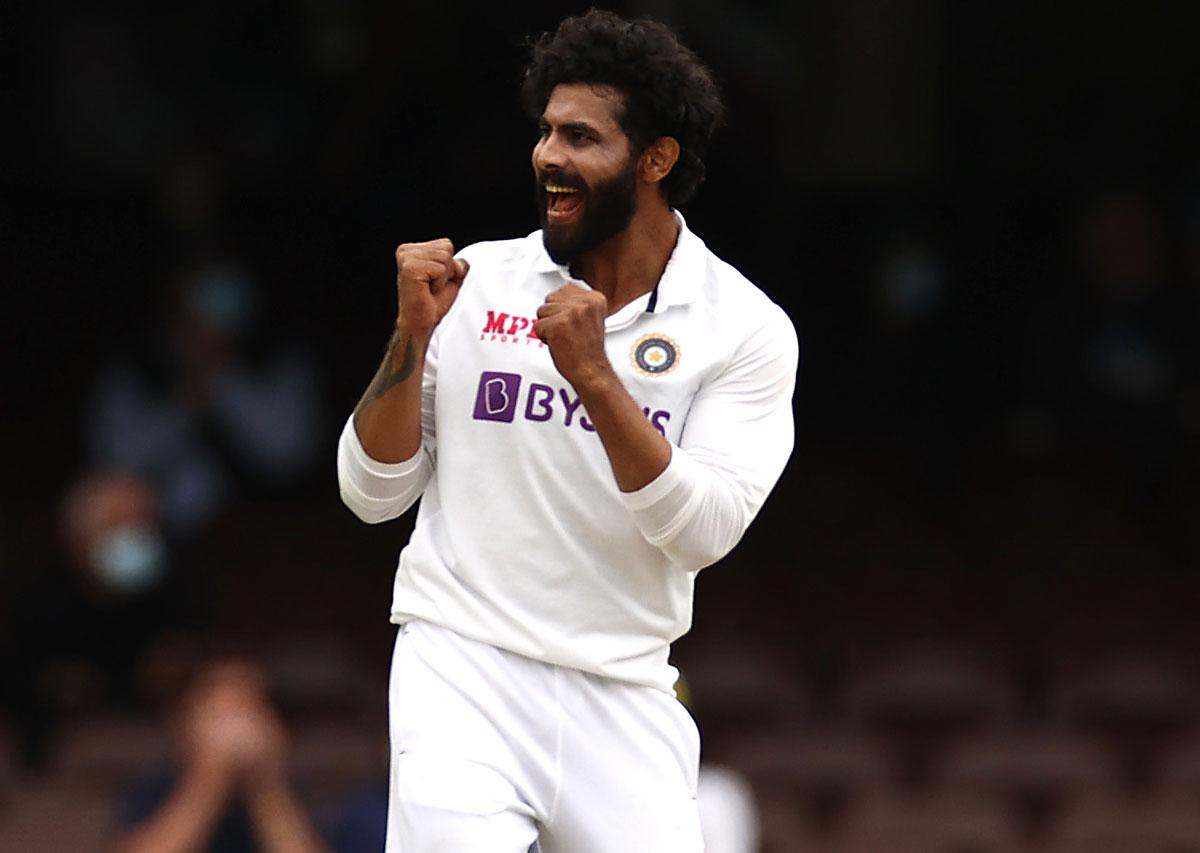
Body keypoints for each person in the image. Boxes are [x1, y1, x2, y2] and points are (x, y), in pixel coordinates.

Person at [336, 10, 798, 852]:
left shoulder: (746, 327)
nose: (549, 155)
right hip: (461, 663)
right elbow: (370, 494)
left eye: (581, 136)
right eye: (546, 131)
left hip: (624, 688)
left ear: (656, 159)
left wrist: (595, 376)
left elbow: (701, 531)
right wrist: (411, 336)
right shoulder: (476, 282)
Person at [109, 656, 329, 853]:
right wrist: (209, 780)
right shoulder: (154, 788)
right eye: (220, 713)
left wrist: (266, 787)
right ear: (182, 721)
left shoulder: (293, 793)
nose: (237, 730)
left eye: (249, 709)